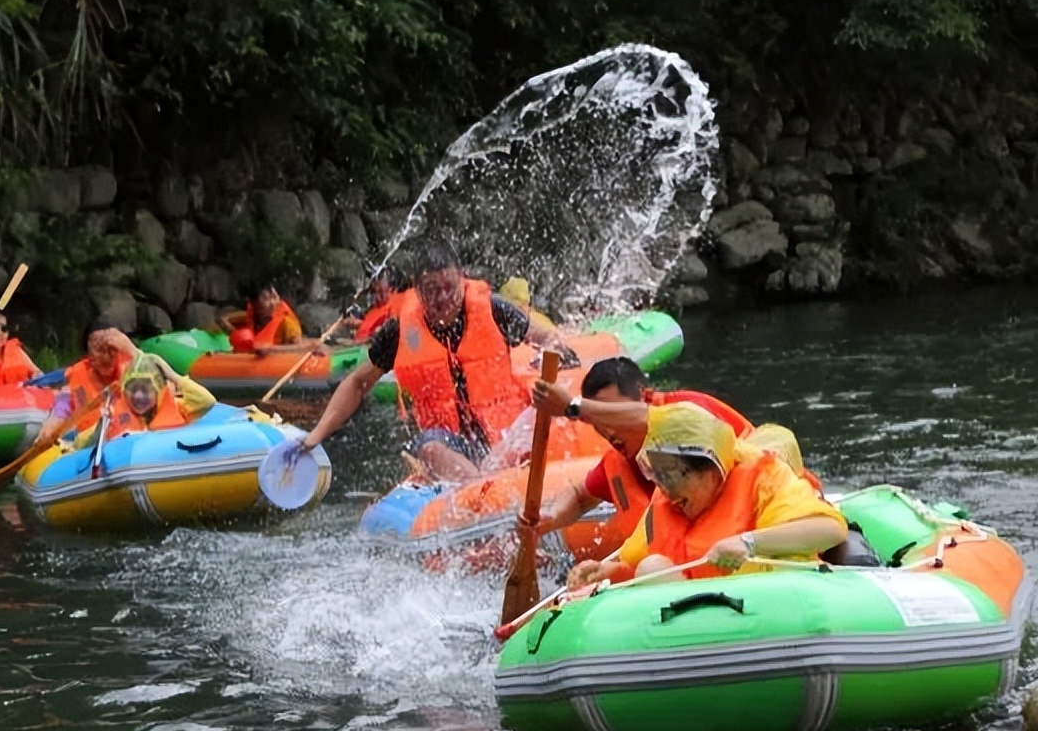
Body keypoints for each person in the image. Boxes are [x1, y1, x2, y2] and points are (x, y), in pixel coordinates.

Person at [293, 240, 576, 482]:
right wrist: (315, 436)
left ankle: (491, 487)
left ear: (462, 279)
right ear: (417, 289)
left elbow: (546, 336)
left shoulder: (492, 309)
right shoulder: (400, 331)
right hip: (451, 444)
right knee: (428, 448)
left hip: (504, 435)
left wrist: (551, 351)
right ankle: (482, 492)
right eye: (432, 290)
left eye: (449, 287)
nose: (443, 299)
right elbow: (357, 383)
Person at [561, 399, 849, 590]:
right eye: (657, 476)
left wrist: (748, 543)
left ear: (711, 470)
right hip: (697, 619)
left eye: (673, 476)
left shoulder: (762, 477)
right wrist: (605, 573)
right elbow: (633, 562)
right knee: (652, 567)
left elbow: (830, 529)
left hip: (766, 605)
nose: (666, 490)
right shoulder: (665, 502)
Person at [529, 357, 756, 555]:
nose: (608, 431)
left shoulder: (688, 413)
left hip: (751, 538)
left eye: (610, 413)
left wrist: (575, 407)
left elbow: (648, 417)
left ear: (644, 396)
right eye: (598, 421)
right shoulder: (617, 463)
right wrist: (551, 517)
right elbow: (580, 495)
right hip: (685, 565)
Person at [74, 353, 217, 445]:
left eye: (146, 390)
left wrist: (174, 376)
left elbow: (207, 401)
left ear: (159, 391)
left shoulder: (179, 408)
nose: (138, 396)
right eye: (132, 389)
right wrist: (100, 431)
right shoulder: (113, 417)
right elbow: (79, 443)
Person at [58, 320, 139, 419]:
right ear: (88, 354)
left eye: (112, 350)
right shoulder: (70, 386)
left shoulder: (132, 371)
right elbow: (56, 418)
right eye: (99, 349)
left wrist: (132, 350)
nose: (106, 357)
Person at [220, 284, 304, 354]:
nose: (272, 303)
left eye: (273, 298)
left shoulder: (287, 323)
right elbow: (222, 319)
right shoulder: (249, 317)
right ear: (254, 304)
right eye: (266, 299)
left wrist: (272, 350)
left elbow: (301, 349)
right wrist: (236, 335)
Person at [352, 265, 408, 342]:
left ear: (393, 289)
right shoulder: (381, 308)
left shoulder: (395, 306)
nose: (376, 297)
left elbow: (364, 336)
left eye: (379, 292)